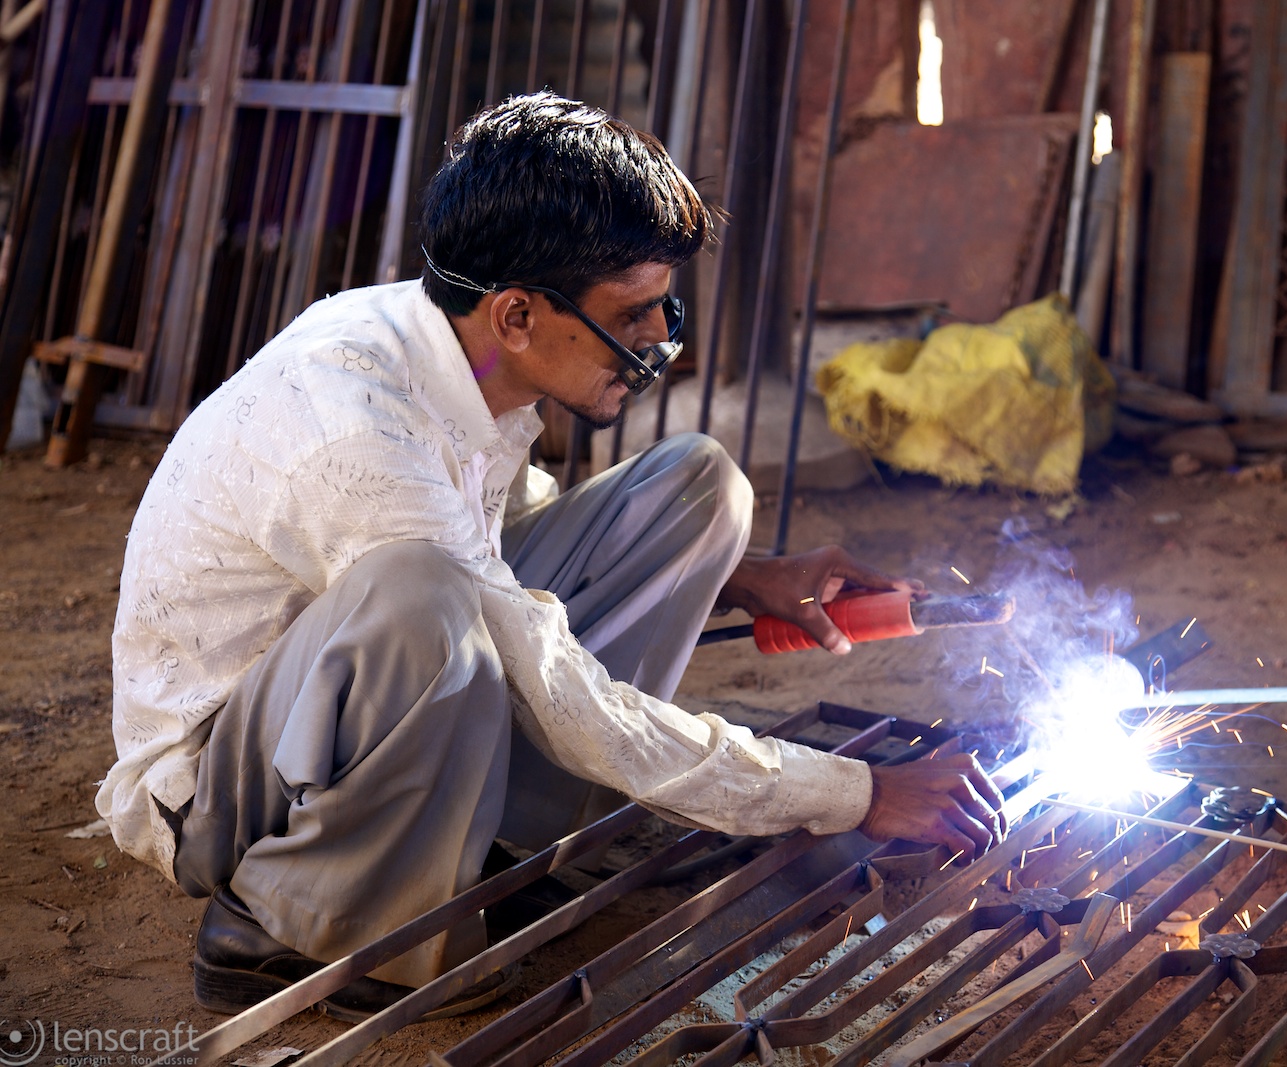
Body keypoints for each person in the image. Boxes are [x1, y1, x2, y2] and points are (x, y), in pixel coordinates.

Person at [97, 92, 1006, 1021]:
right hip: (223, 789)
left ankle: (491, 847)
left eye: (662, 306)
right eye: (632, 315)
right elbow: (562, 694)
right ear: (519, 315)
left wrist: (744, 574)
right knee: (426, 594)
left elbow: (494, 519)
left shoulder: (458, 346)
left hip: (348, 692)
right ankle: (290, 919)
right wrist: (855, 792)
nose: (657, 341)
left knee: (699, 486)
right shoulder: (355, 433)